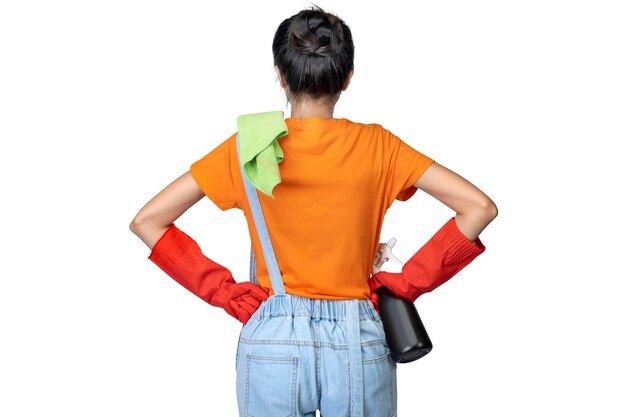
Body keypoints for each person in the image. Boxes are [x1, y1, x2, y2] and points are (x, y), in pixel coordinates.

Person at [129, 5, 497, 417]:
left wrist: (224, 293)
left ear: (280, 75)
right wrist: (405, 284)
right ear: (347, 77)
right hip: (358, 340)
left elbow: (148, 221)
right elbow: (478, 208)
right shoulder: (379, 146)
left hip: (272, 339)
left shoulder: (248, 147)